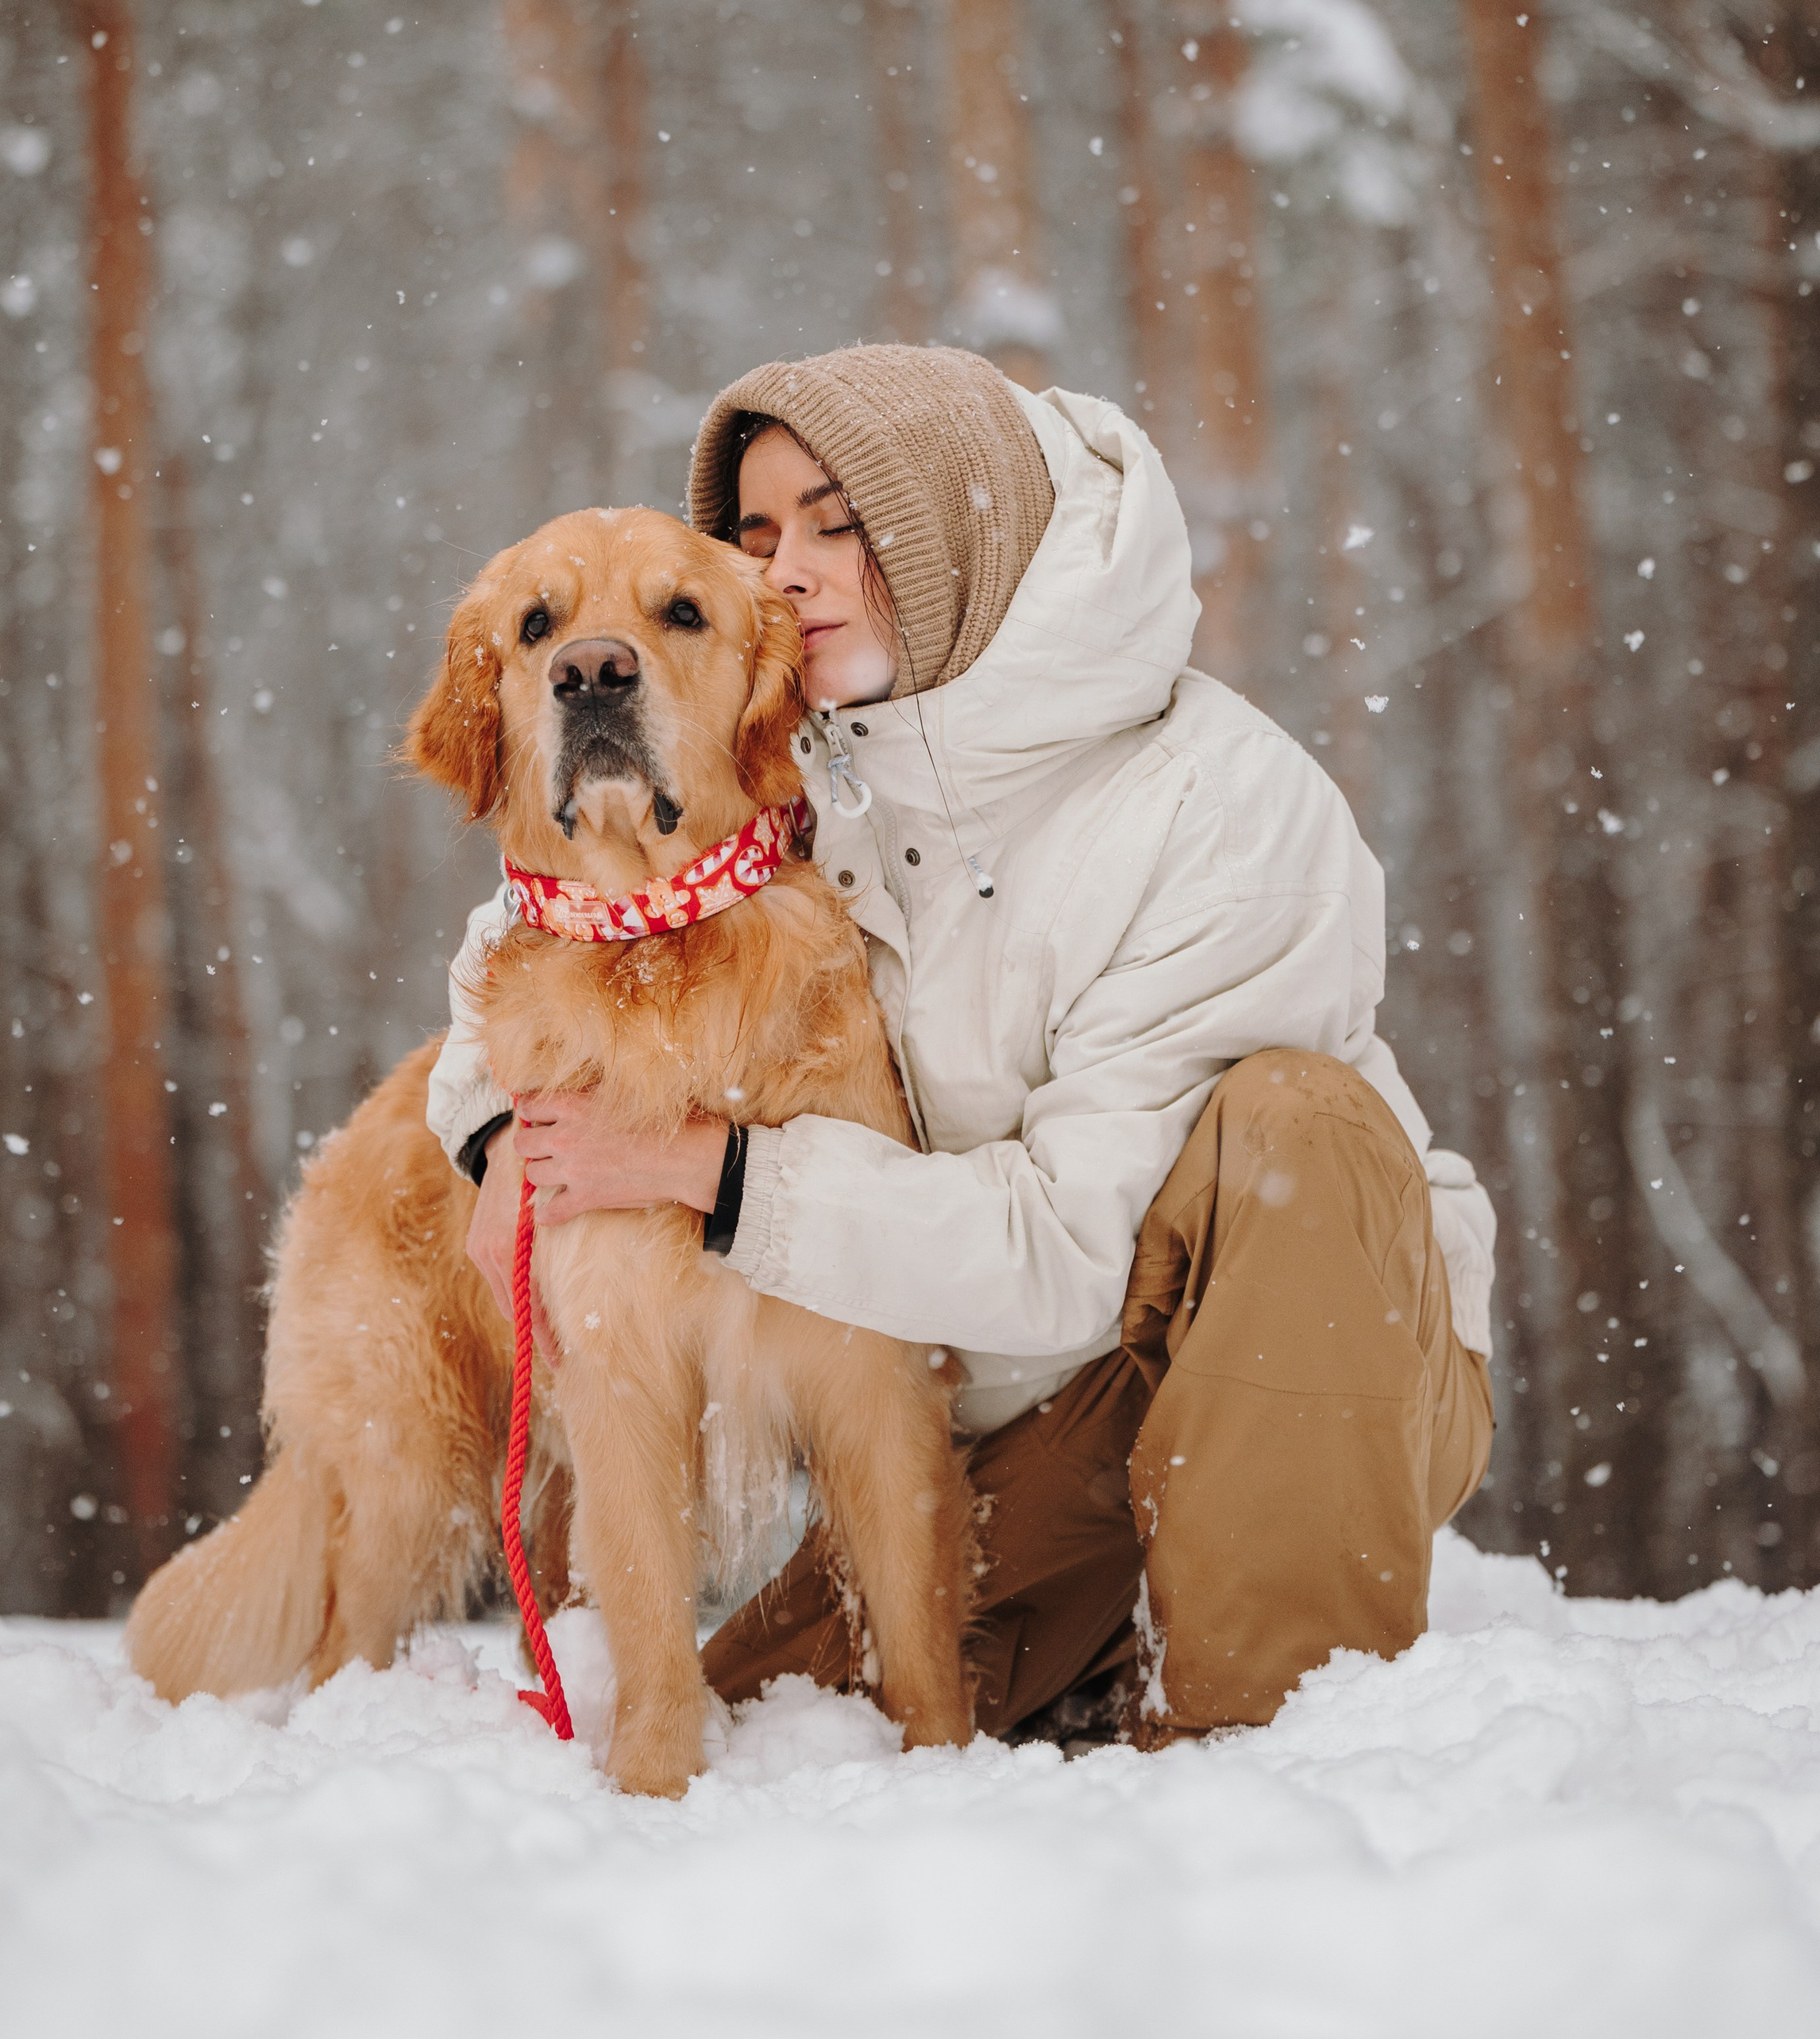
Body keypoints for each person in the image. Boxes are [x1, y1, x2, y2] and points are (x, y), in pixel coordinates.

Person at [427, 344, 1496, 1744]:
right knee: (799, 1713)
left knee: (1298, 1126)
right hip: (1012, 1417)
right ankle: (1097, 1635)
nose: (786, 570)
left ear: (954, 533)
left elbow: (1072, 1261)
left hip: (1263, 1353)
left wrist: (707, 1169)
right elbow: (537, 931)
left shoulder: (1219, 808)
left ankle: (1269, 1750)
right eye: (755, 535)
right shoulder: (802, 751)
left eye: (838, 522)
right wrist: (507, 1129)